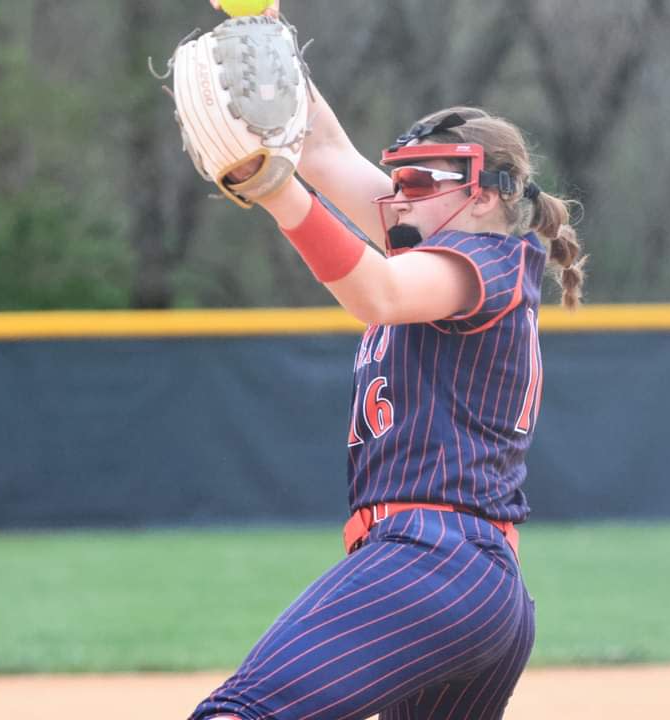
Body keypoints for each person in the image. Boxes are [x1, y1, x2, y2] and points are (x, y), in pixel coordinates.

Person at [190, 3, 585, 718]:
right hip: (470, 580)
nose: (401, 196)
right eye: (398, 179)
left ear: (489, 194)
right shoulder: (439, 235)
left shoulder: (484, 261)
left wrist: (279, 193)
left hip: (433, 558)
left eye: (423, 182)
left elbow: (377, 293)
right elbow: (319, 147)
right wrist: (262, 25)